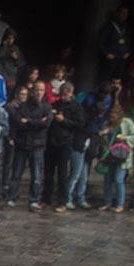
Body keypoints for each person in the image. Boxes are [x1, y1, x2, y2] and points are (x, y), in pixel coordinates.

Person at [5, 84, 49, 210]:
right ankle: (12, 198)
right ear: (32, 91)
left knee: (36, 175)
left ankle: (33, 200)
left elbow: (46, 124)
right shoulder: (23, 106)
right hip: (22, 144)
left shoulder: (46, 107)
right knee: (16, 173)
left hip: (38, 145)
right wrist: (37, 122)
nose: (39, 92)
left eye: (41, 90)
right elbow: (19, 122)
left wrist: (29, 121)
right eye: (37, 90)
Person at [44, 83, 84, 212]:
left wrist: (64, 120)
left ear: (71, 94)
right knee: (48, 172)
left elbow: (79, 124)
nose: (63, 97)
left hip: (65, 142)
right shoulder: (56, 104)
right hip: (52, 141)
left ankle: (63, 201)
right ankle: (46, 199)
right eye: (61, 95)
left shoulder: (76, 107)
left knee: (62, 173)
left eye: (65, 95)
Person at [98, 104, 134, 213]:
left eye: (114, 115)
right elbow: (104, 143)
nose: (112, 117)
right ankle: (107, 202)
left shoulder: (127, 122)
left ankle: (120, 204)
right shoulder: (107, 124)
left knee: (119, 179)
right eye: (111, 115)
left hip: (122, 156)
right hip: (110, 156)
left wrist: (125, 138)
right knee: (107, 180)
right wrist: (103, 135)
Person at [98, 7, 132, 84]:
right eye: (122, 13)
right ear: (118, 13)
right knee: (105, 80)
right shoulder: (110, 26)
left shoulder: (126, 27)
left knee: (117, 81)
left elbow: (128, 41)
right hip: (111, 58)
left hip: (121, 58)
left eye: (126, 13)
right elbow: (100, 42)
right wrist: (106, 53)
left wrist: (128, 51)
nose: (124, 15)